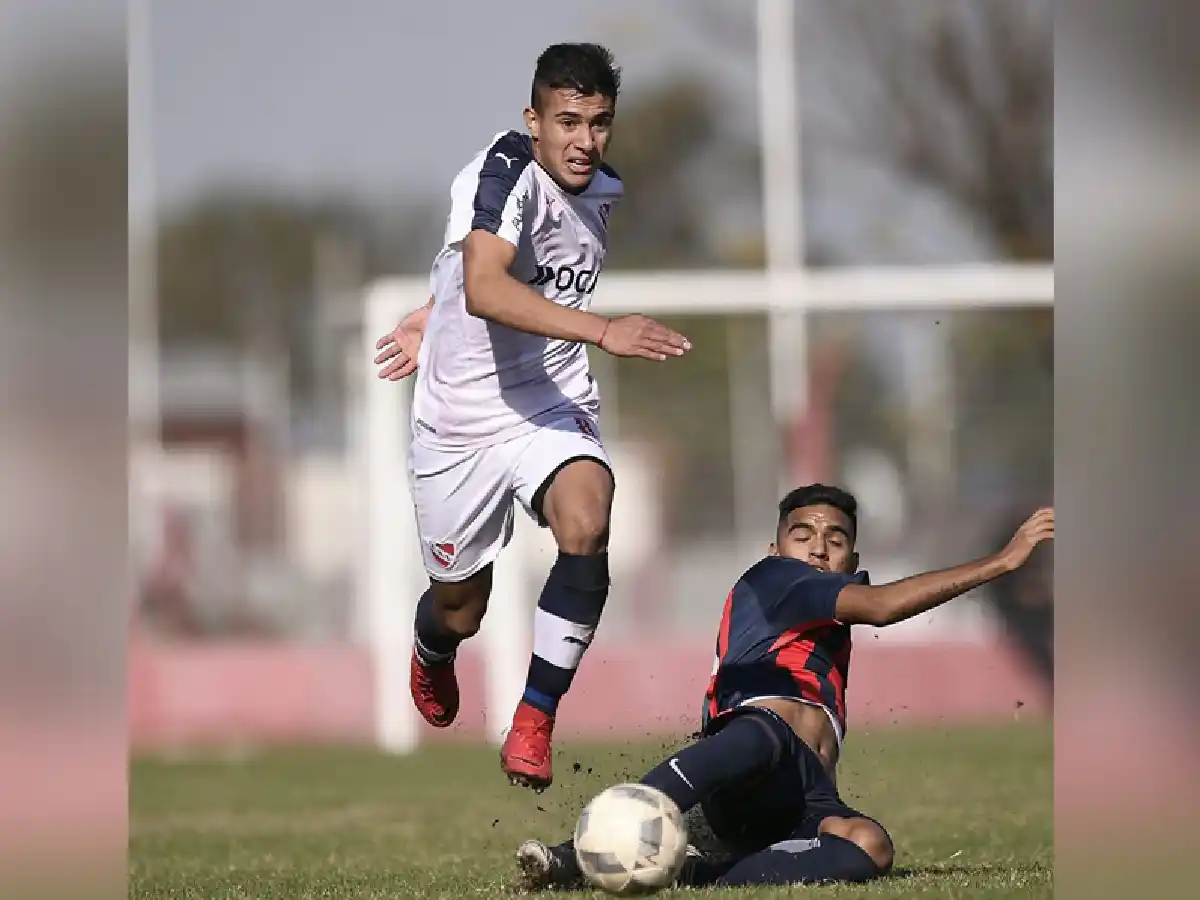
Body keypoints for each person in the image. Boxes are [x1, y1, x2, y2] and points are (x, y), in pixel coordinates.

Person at [371, 43, 691, 791]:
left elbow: (490, 272)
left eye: (601, 122)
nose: (585, 140)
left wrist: (432, 308)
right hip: (459, 421)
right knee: (462, 606)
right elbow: (484, 284)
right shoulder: (505, 169)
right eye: (569, 121)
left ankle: (535, 717)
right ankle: (434, 649)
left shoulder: (602, 189)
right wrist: (606, 330)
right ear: (534, 119)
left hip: (550, 398)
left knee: (589, 515)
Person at [515, 484, 1054, 888]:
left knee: (871, 847)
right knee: (764, 732)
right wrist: (1002, 562)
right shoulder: (776, 579)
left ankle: (701, 876)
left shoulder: (828, 607)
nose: (819, 548)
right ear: (776, 549)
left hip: (804, 793)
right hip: (749, 769)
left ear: (853, 564)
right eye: (803, 535)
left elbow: (872, 603)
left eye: (835, 540)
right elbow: (885, 606)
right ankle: (579, 853)